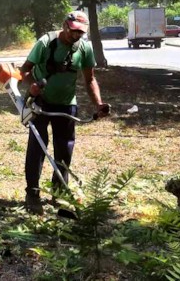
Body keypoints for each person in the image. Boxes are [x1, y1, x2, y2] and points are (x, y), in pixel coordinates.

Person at [18, 11, 108, 214]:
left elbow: (90, 79)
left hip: (67, 104)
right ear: (65, 26)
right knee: (38, 147)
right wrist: (32, 86)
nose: (77, 35)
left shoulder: (84, 48)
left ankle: (59, 193)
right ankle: (32, 194)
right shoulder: (46, 42)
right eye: (74, 31)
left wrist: (99, 104)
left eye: (81, 33)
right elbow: (24, 70)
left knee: (64, 150)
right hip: (41, 102)